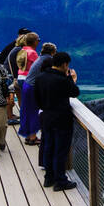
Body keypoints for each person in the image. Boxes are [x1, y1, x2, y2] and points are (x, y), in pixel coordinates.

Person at [35, 50, 79, 190]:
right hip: (62, 118)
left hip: (46, 117)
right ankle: (60, 180)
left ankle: (49, 178)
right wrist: (72, 79)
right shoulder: (62, 79)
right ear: (65, 64)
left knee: (48, 147)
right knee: (60, 150)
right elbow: (74, 92)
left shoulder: (40, 77)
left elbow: (37, 99)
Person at [16, 32, 41, 145]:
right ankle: (32, 137)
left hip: (21, 79)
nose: (39, 42)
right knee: (33, 109)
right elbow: (38, 69)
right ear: (34, 41)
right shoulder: (33, 53)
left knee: (25, 108)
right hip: (29, 82)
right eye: (38, 40)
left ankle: (27, 134)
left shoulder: (22, 50)